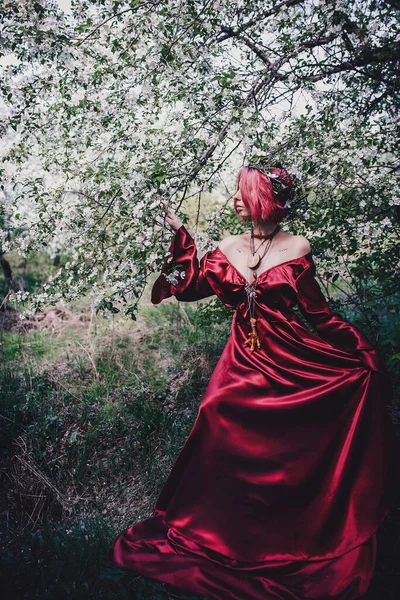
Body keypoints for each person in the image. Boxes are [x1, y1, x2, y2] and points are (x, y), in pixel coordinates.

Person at [110, 163, 396, 600]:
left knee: (286, 447)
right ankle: (224, 534)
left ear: (263, 198)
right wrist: (182, 238)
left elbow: (318, 315)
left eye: (242, 194)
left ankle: (287, 533)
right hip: (242, 359)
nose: (235, 201)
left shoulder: (297, 246)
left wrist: (362, 352)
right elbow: (187, 288)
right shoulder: (227, 246)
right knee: (217, 416)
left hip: (292, 358)